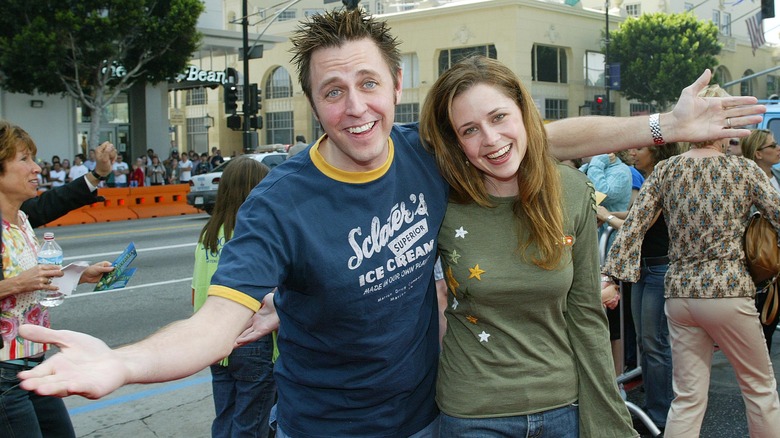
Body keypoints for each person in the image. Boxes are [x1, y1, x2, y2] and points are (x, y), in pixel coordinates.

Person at [16, 9, 767, 438]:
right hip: (328, 431)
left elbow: (535, 138)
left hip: (431, 418)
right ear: (314, 102)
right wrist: (121, 364)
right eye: (333, 90)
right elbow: (217, 323)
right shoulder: (282, 201)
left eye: (368, 82)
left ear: (395, 85)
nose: (355, 105)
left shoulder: (420, 155)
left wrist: (664, 123)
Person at [419, 55, 635, 437]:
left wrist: (609, 419)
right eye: (469, 129)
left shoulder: (570, 189)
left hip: (562, 409)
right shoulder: (440, 198)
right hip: (473, 413)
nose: (490, 139)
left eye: (498, 117)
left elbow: (585, 313)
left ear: (524, 112)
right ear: (455, 140)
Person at [603, 86, 780, 437]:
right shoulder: (744, 170)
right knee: (760, 390)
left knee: (686, 398)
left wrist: (611, 276)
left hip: (680, 294)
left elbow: (633, 227)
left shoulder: (667, 170)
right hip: (728, 290)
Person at [0, 120, 114, 437]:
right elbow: (21, 282)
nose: (36, 168)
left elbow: (57, 201)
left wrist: (78, 275)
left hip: (36, 365)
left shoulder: (22, 219)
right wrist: (16, 284)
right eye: (24, 159)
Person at [598, 143, 683, 432]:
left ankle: (661, 414)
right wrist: (610, 213)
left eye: (640, 149)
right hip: (646, 269)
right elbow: (635, 216)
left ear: (658, 153)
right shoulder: (650, 180)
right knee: (649, 345)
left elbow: (638, 226)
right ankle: (655, 408)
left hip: (658, 269)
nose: (632, 152)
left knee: (655, 344)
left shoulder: (659, 179)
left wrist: (606, 216)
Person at [192, 156, 276, 438]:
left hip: (213, 336)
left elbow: (196, 290)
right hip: (251, 336)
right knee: (251, 422)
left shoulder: (208, 235)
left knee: (225, 415)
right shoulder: (256, 235)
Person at [741, 129, 780, 352]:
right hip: (761, 264)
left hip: (777, 263)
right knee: (762, 327)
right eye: (772, 146)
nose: (778, 148)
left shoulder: (777, 176)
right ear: (757, 153)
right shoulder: (746, 181)